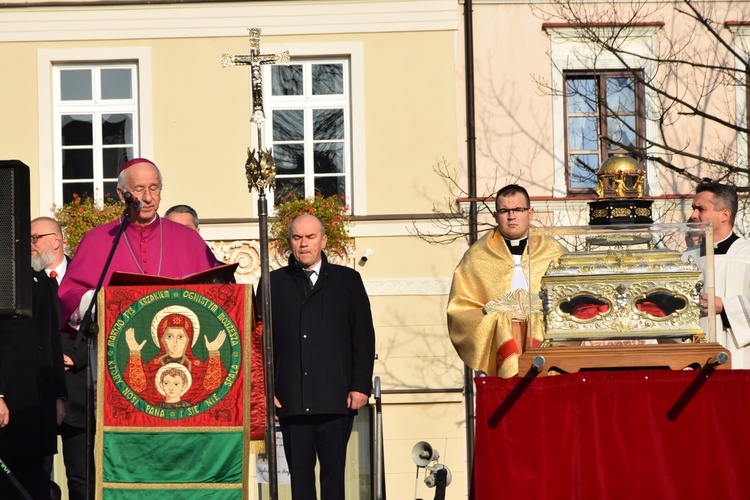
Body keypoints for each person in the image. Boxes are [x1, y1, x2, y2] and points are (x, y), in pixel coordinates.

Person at [267, 214, 375, 499]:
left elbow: (363, 336)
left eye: (310, 237)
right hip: (290, 400)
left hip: (336, 399)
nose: (304, 244)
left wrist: (360, 385)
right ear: (288, 241)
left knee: (334, 478)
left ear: (323, 240)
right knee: (299, 481)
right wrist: (266, 389)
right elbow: (259, 341)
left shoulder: (347, 281)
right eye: (297, 238)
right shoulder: (271, 283)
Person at [58, 158, 223, 328]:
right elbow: (70, 295)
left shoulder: (189, 239)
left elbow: (220, 290)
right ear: (122, 195)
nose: (148, 198)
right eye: (139, 189)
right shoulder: (96, 240)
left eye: (154, 188)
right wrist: (101, 300)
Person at [447, 184, 567, 377]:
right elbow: (460, 311)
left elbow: (572, 301)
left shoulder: (554, 252)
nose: (511, 216)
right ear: (496, 216)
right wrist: (494, 317)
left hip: (544, 343)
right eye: (504, 211)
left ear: (530, 213)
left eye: (518, 209)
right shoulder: (476, 257)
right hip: (499, 348)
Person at [30, 216, 93, 500]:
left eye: (35, 238)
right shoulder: (26, 282)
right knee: (37, 476)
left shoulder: (84, 278)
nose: (29, 246)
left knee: (81, 477)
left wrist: (72, 358)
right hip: (38, 391)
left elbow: (98, 324)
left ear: (56, 240)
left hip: (79, 389)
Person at [0, 268, 67, 499]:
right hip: (11, 399)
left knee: (38, 480)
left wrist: (59, 395)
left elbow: (52, 342)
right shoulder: (5, 278)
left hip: (41, 404)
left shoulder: (43, 282)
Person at [686, 182, 750, 368]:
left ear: (725, 215)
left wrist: (726, 306)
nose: (693, 215)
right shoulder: (686, 258)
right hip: (693, 359)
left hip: (740, 357)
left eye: (701, 209)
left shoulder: (747, 255)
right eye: (693, 209)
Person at [123, 308, 227, 405]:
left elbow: (210, 390)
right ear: (162, 339)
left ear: (189, 339)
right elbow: (140, 391)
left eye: (181, 337)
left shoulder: (197, 366)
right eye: (169, 336)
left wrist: (214, 353)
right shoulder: (154, 364)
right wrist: (134, 353)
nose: (175, 342)